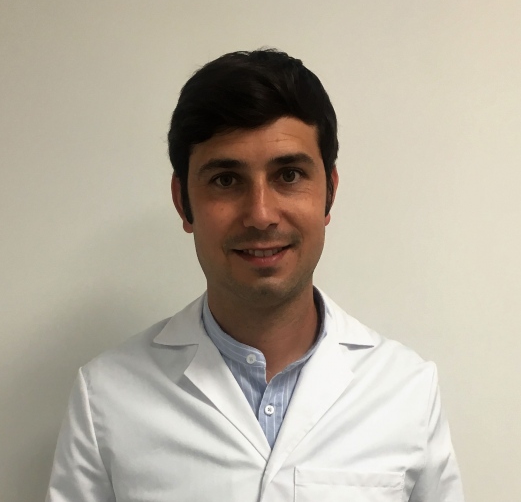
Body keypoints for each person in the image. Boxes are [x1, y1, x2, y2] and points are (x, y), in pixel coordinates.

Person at [46, 49, 465, 501]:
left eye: (289, 174)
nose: (261, 214)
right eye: (226, 180)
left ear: (329, 192)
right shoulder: (105, 397)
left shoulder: (405, 389)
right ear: (183, 202)